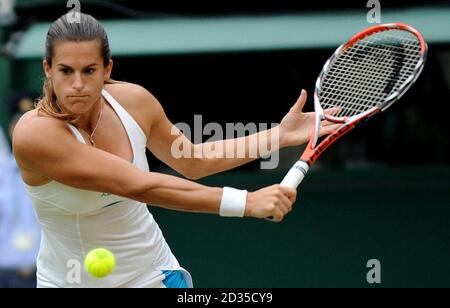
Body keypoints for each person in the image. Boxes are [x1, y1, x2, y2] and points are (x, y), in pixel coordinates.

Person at [12, 13, 338, 288]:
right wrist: (246, 201)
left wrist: (278, 136)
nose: (78, 84)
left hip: (154, 276)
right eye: (66, 71)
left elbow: (192, 160)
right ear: (48, 69)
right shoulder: (36, 134)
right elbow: (138, 185)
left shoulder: (135, 102)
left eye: (89, 70)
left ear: (107, 69)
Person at [0, 99, 41, 288]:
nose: (21, 130)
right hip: (5, 272)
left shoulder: (57, 172)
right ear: (10, 128)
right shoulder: (2, 172)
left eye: (30, 124)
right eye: (17, 123)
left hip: (45, 274)